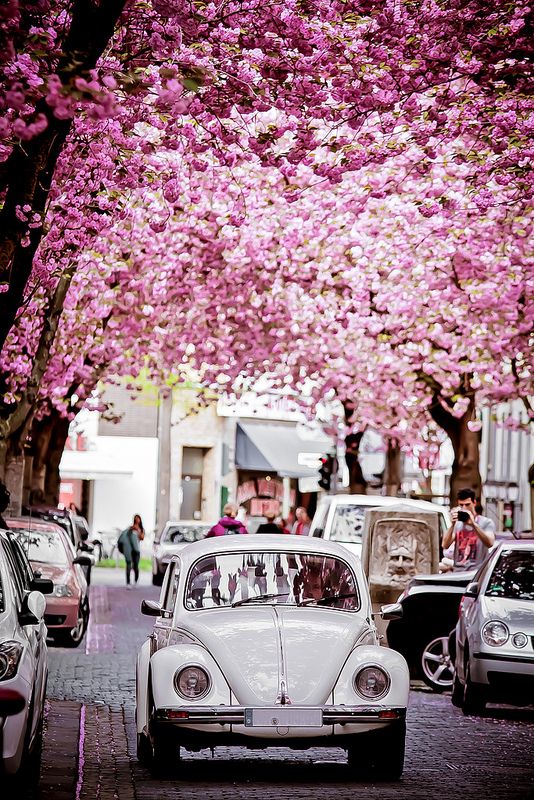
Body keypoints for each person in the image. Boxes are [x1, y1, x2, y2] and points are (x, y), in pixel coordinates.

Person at [442, 488, 496, 571]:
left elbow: (490, 543)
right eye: (461, 505)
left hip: (476, 572)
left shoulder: (486, 522)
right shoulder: (458, 524)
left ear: (474, 503)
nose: (464, 508)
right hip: (458, 571)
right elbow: (445, 545)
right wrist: (452, 525)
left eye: (467, 505)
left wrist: (473, 524)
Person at [117, 514, 144, 588]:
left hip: (137, 550)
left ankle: (136, 581)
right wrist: (131, 529)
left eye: (138, 519)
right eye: (135, 519)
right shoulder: (130, 529)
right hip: (129, 550)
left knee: (136, 566)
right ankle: (128, 582)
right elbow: (124, 538)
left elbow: (142, 538)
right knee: (128, 565)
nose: (137, 520)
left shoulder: (141, 529)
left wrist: (138, 531)